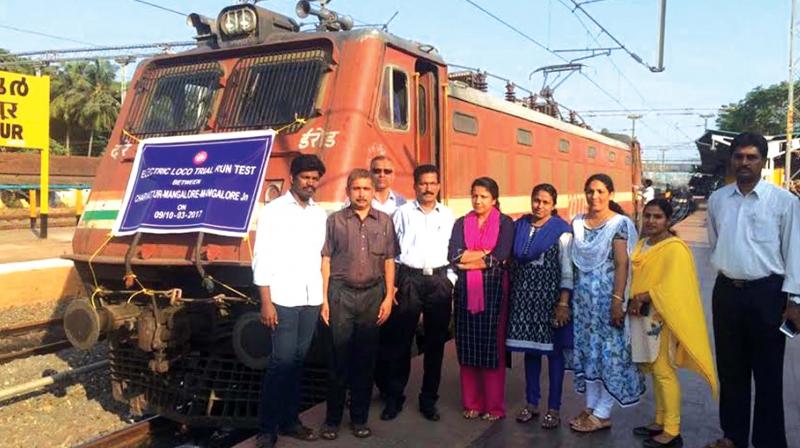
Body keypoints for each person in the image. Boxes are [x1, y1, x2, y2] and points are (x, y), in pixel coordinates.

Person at [703, 132, 800, 448]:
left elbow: (794, 252)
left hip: (767, 295)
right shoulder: (718, 200)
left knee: (769, 375)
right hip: (727, 293)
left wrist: (794, 301)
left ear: (762, 160)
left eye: (751, 157)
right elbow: (715, 244)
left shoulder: (784, 202)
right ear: (732, 159)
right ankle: (733, 437)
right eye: (739, 157)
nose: (744, 162)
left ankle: (769, 441)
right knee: (730, 371)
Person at [628, 199, 718, 448]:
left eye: (657, 217)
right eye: (647, 216)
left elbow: (675, 286)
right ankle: (659, 420)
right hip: (642, 316)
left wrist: (646, 295)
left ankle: (672, 429)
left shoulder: (675, 248)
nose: (651, 222)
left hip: (663, 318)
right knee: (655, 372)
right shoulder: (643, 244)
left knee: (664, 372)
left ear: (668, 221)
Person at [252, 155, 328, 448]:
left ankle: (291, 421)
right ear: (293, 177)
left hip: (310, 297)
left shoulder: (319, 214)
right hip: (282, 298)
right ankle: (267, 428)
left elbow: (323, 258)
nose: (310, 183)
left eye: (314, 178)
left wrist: (323, 299)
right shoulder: (274, 212)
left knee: (297, 362)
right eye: (305, 177)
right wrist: (266, 302)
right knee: (280, 362)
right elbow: (262, 256)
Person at [319, 168, 397, 440]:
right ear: (348, 191)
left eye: (366, 189)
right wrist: (325, 298)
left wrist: (388, 296)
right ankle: (332, 421)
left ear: (373, 192)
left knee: (365, 361)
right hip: (341, 294)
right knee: (338, 360)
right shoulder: (335, 221)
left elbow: (389, 260)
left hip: (372, 296)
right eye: (356, 189)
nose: (361, 194)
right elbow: (326, 259)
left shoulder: (385, 222)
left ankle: (359, 419)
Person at [378, 164, 455, 422]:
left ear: (439, 186)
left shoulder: (448, 215)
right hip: (409, 280)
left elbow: (454, 250)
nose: (428, 188)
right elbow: (392, 251)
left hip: (439, 281)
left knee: (435, 345)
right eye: (423, 183)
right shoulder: (401, 213)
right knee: (400, 344)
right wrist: (395, 284)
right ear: (415, 186)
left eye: (433, 183)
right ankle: (394, 399)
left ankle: (428, 401)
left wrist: (450, 282)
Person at [569, 173, 645, 433]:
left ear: (610, 194)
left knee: (610, 355)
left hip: (607, 301)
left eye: (600, 191)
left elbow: (622, 263)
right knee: (589, 353)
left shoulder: (618, 225)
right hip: (583, 304)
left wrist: (617, 301)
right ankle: (590, 407)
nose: (595, 196)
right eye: (590, 191)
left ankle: (603, 412)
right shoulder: (578, 223)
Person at [506, 184, 573, 429]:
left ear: (553, 205)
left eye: (545, 202)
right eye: (536, 200)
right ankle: (531, 403)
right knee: (530, 353)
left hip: (551, 302)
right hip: (524, 300)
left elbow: (567, 269)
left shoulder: (561, 231)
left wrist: (563, 303)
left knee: (555, 357)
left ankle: (553, 408)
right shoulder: (520, 226)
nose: (539, 206)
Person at [448, 177, 514, 421]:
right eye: (475, 195)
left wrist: (468, 260)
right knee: (466, 346)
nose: (478, 200)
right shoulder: (461, 223)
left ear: (494, 199)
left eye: (484, 196)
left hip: (495, 291)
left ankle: (494, 406)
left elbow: (500, 255)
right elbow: (453, 255)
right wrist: (482, 257)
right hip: (466, 292)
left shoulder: (505, 223)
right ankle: (472, 403)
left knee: (491, 347)